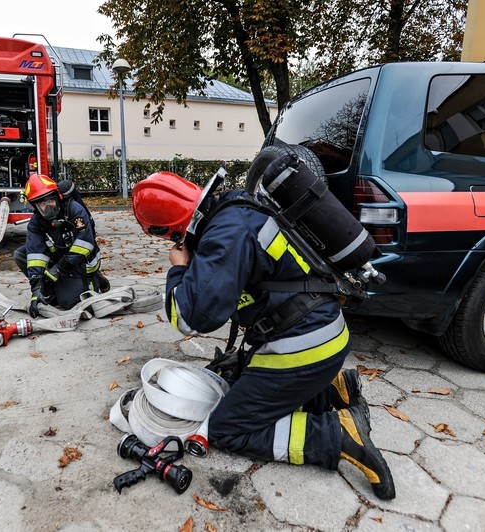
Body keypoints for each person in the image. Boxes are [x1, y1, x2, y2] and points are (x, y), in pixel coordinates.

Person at [131, 167, 396, 500]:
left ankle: (337, 434)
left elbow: (189, 318)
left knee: (228, 429)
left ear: (168, 229)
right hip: (325, 339)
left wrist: (179, 269)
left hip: (303, 350)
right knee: (240, 379)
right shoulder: (234, 210)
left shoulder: (223, 236)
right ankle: (333, 390)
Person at [15, 173, 109, 314]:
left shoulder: (74, 209)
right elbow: (35, 253)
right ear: (35, 206)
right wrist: (36, 290)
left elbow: (86, 242)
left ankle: (96, 279)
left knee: (69, 303)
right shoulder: (36, 222)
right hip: (61, 259)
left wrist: (59, 269)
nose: (48, 207)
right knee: (21, 254)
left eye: (50, 201)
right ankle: (50, 293)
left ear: (57, 197)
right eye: (42, 204)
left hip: (82, 261)